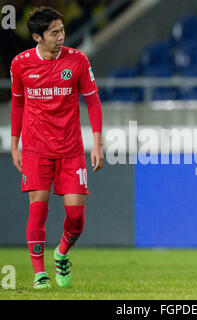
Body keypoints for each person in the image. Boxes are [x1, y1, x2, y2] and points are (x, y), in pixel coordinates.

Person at [10, 6, 104, 289]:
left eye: (62, 30)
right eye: (54, 33)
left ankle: (61, 253)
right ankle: (39, 272)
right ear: (38, 37)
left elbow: (93, 101)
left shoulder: (77, 61)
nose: (61, 36)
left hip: (71, 149)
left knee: (76, 217)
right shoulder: (20, 64)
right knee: (37, 211)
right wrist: (15, 146)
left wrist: (97, 143)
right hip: (37, 149)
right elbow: (17, 103)